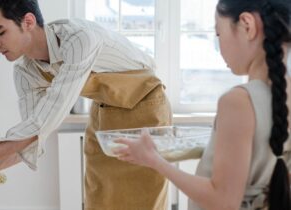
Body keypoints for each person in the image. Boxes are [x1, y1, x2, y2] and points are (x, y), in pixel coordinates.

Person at [0, 0, 173, 209]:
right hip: (104, 112)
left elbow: (43, 122)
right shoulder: (25, 72)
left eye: (0, 32)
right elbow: (31, 140)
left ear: (28, 22)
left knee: (145, 200)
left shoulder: (78, 39)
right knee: (99, 199)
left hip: (146, 108)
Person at [113, 0, 291, 209]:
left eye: (218, 34)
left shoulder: (238, 102)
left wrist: (154, 160)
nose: (219, 46)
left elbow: (223, 200)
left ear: (247, 26)